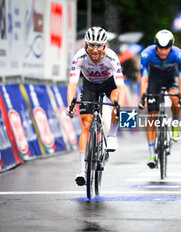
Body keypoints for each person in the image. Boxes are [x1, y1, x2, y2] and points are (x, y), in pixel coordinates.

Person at [66, 26, 124, 186]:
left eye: (99, 45)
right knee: (86, 124)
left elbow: (120, 86)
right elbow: (72, 84)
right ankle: (83, 170)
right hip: (90, 86)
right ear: (86, 44)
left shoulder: (112, 58)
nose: (95, 49)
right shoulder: (79, 57)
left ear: (105, 45)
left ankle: (112, 135)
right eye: (92, 45)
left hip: (109, 84)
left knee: (116, 103)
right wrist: (70, 104)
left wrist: (119, 105)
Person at [139, 29, 181, 169]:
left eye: (166, 48)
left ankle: (175, 123)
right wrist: (143, 97)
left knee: (175, 99)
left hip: (170, 78)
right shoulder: (146, 53)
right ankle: (152, 154)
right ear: (156, 46)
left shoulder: (179, 54)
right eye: (160, 48)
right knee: (152, 116)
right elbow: (144, 77)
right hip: (154, 80)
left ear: (171, 46)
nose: (163, 51)